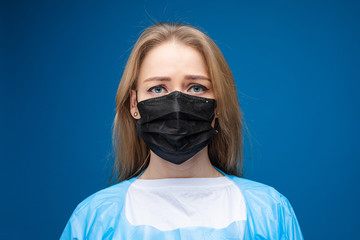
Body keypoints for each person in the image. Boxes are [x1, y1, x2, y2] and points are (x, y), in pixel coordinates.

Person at [60, 22, 303, 239]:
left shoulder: (269, 212)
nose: (177, 103)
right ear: (134, 104)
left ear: (219, 105)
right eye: (158, 89)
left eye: (196, 88)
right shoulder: (95, 219)